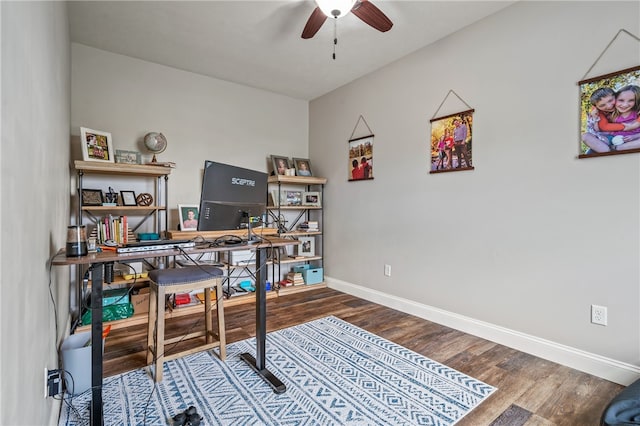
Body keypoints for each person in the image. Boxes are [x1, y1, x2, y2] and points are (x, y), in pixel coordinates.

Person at [582, 85, 640, 153]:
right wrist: (595, 117)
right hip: (612, 138)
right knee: (585, 136)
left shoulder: (635, 111)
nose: (609, 106)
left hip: (633, 139)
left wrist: (634, 135)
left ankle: (617, 149)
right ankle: (606, 151)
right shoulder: (608, 113)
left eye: (610, 100)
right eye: (602, 105)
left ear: (615, 96)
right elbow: (598, 129)